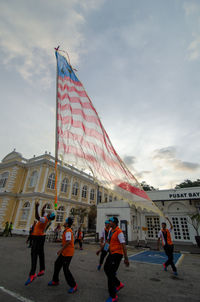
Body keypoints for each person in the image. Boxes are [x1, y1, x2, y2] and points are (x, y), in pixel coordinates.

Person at [25, 202, 55, 285]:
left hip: (37, 237)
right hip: (41, 237)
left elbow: (37, 217)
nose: (48, 213)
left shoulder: (44, 219)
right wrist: (43, 208)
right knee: (41, 253)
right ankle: (42, 269)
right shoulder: (47, 219)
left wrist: (36, 207)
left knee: (34, 254)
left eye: (49, 213)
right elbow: (42, 214)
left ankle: (32, 274)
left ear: (49, 216)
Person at [48, 217, 77, 294]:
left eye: (65, 221)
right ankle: (55, 280)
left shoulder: (68, 231)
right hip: (64, 252)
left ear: (67, 223)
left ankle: (73, 285)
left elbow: (68, 242)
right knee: (57, 264)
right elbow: (66, 241)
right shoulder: (66, 230)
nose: (64, 222)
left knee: (65, 269)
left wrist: (60, 250)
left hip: (68, 253)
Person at [104, 217, 129, 302]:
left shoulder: (119, 232)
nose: (109, 222)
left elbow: (123, 245)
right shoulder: (111, 231)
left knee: (110, 273)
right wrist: (102, 250)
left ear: (114, 223)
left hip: (117, 254)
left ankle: (113, 296)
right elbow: (108, 241)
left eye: (110, 221)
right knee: (106, 269)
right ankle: (118, 284)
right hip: (111, 253)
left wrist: (126, 258)